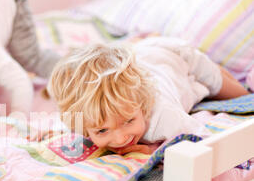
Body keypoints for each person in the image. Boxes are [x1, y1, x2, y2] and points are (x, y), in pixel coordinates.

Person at [47, 36, 249, 154]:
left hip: (175, 54)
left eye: (128, 120)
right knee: (198, 87)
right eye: (102, 131)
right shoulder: (83, 119)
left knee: (219, 84)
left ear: (142, 107)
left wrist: (154, 151)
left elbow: (201, 142)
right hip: (145, 58)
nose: (120, 138)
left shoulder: (163, 116)